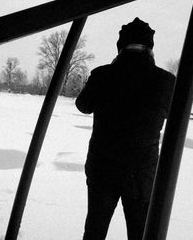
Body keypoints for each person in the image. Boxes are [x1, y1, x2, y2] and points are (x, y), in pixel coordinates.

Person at [75, 17, 175, 240]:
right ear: (149, 48)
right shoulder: (166, 82)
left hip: (102, 170)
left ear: (120, 46)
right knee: (140, 233)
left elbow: (83, 105)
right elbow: (170, 114)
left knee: (94, 231)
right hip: (141, 174)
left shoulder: (102, 75)